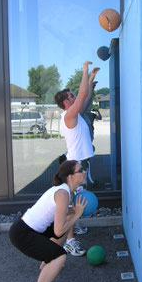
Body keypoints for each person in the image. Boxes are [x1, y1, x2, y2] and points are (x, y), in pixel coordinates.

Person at [9, 160, 88, 282]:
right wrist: (77, 214)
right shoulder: (63, 194)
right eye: (81, 170)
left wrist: (75, 211)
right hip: (23, 234)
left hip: (31, 229)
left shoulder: (65, 191)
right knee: (60, 256)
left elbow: (61, 221)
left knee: (62, 229)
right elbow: (59, 230)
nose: (84, 172)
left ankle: (47, 260)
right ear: (71, 177)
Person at [54, 61, 99, 256]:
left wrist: (91, 79)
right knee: (74, 203)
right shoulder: (69, 115)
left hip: (81, 162)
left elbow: (85, 95)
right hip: (75, 165)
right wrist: (84, 71)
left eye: (72, 95)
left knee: (78, 199)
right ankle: (70, 240)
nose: (73, 97)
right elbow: (82, 95)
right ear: (65, 102)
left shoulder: (76, 114)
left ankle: (75, 226)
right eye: (70, 96)